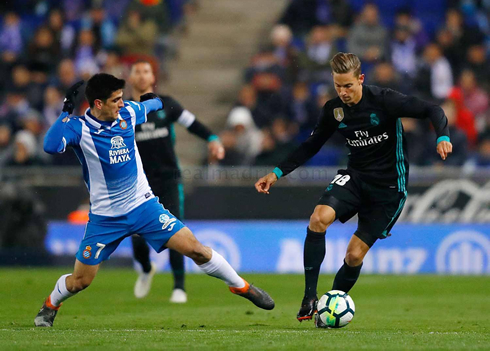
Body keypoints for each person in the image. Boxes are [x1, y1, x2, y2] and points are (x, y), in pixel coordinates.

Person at [35, 74, 274, 327]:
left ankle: (241, 286)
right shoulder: (78, 128)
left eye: (121, 98)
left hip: (143, 207)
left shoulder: (127, 112)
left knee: (196, 249)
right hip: (105, 219)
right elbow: (50, 146)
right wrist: (65, 112)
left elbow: (153, 105)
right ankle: (51, 304)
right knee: (80, 281)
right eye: (115, 100)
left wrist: (154, 101)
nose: (121, 103)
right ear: (97, 104)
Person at [254, 52, 452, 325]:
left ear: (361, 79)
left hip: (389, 187)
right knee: (318, 219)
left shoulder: (384, 100)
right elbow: (311, 145)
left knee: (354, 254)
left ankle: (329, 307)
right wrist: (277, 173)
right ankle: (310, 297)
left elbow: (433, 110)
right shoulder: (333, 110)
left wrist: (442, 134)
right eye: (338, 86)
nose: (343, 92)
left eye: (348, 86)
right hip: (356, 177)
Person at [128, 61, 225, 302]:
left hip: (169, 179)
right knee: (137, 237)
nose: (142, 76)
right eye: (137, 71)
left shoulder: (166, 104)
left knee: (176, 230)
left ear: (153, 77)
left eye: (146, 71)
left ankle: (179, 287)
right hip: (138, 183)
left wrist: (212, 138)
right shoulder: (125, 110)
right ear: (130, 78)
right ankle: (146, 268)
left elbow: (192, 124)